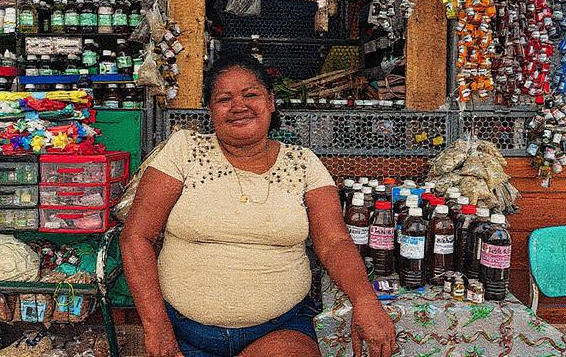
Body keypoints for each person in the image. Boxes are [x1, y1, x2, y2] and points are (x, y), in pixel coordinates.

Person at [121, 55, 397, 357]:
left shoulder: (303, 163)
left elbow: (334, 242)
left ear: (271, 101)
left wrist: (366, 300)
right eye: (224, 99)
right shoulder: (184, 150)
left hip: (280, 331)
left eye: (250, 95)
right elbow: (137, 237)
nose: (238, 106)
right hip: (182, 332)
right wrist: (156, 326)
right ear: (211, 110)